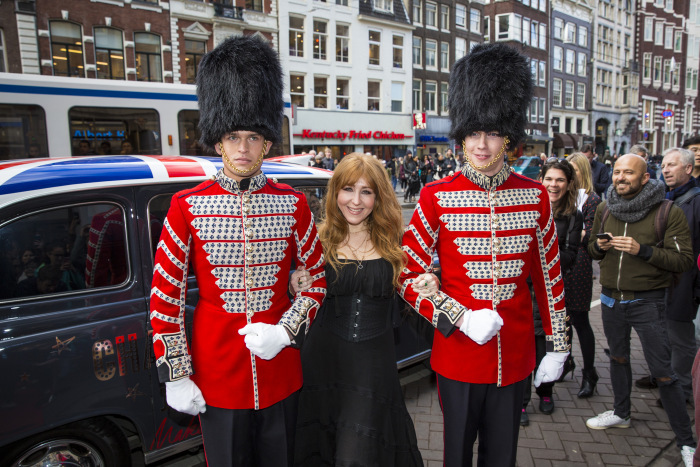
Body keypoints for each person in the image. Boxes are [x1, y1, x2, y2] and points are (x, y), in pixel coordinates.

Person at [149, 36, 327, 466]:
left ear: (267, 142)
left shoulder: (293, 202)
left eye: (252, 137)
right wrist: (176, 374)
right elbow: (164, 299)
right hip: (216, 372)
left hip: (280, 368)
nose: (243, 149)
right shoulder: (187, 205)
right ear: (217, 141)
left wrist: (285, 332)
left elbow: (317, 279)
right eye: (232, 136)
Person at [399, 43, 570, 466]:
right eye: (473, 133)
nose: (481, 144)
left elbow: (549, 276)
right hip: (458, 353)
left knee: (502, 457)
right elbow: (406, 274)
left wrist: (559, 344)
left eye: (492, 132)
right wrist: (458, 315)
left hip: (514, 357)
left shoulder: (533, 197)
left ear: (507, 137)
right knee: (456, 454)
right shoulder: (437, 195)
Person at [290, 153, 423, 466]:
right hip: (322, 362)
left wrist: (428, 283)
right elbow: (298, 292)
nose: (356, 200)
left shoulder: (396, 243)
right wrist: (295, 282)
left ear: (378, 197)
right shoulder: (315, 241)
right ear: (336, 192)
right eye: (348, 189)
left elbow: (414, 295)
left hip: (373, 369)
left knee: (358, 454)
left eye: (366, 191)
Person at [586, 153, 696, 466]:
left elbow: (683, 261)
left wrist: (642, 250)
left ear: (645, 177)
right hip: (609, 299)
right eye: (617, 172)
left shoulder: (667, 211)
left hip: (648, 301)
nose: (620, 178)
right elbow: (593, 249)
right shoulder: (606, 207)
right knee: (618, 359)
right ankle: (621, 413)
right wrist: (600, 247)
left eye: (628, 173)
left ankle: (687, 443)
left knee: (663, 373)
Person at [634, 148, 700, 403]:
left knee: (681, 338)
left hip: (684, 282)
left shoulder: (695, 202)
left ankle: (682, 391)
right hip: (659, 280)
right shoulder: (664, 199)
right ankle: (662, 377)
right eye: (664, 165)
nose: (666, 170)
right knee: (659, 333)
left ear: (688, 169)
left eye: (672, 165)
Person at [521, 159, 583, 425]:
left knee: (550, 345)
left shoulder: (573, 216)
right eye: (549, 179)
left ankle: (545, 392)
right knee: (523, 348)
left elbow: (570, 256)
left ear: (568, 184)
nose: (553, 185)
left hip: (551, 292)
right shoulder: (526, 206)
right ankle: (521, 402)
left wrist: (540, 257)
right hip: (523, 290)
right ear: (541, 179)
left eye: (560, 180)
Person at [566, 152, 603, 398]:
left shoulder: (592, 200)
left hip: (579, 265)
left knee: (580, 320)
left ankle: (590, 372)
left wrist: (568, 235)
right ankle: (565, 361)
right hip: (561, 263)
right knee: (562, 320)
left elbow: (589, 234)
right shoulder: (562, 198)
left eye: (573, 171)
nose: (569, 175)